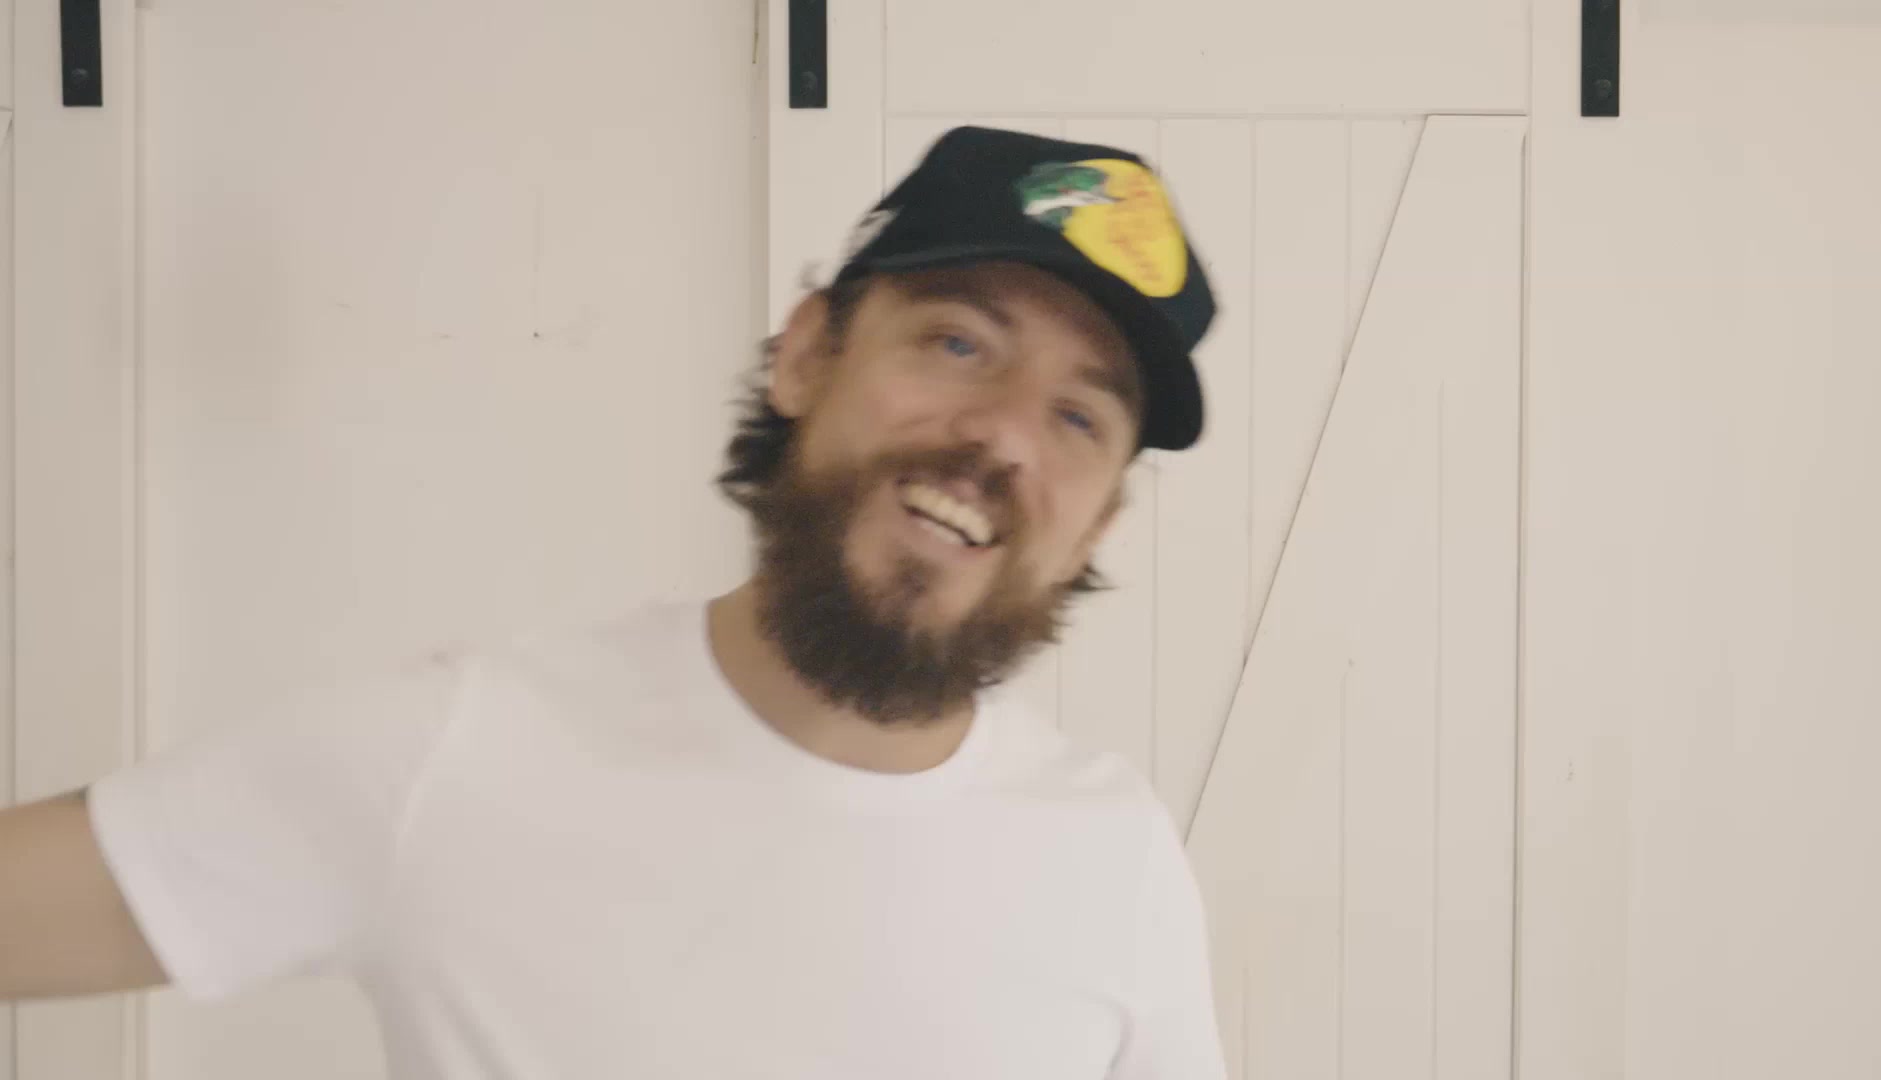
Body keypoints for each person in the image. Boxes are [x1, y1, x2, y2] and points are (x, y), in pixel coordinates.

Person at [0, 126, 1228, 1078]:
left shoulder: (1114, 859)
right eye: (958, 343)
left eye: (1080, 416)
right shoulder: (459, 751)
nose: (1004, 435)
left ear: (1097, 527)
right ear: (808, 353)